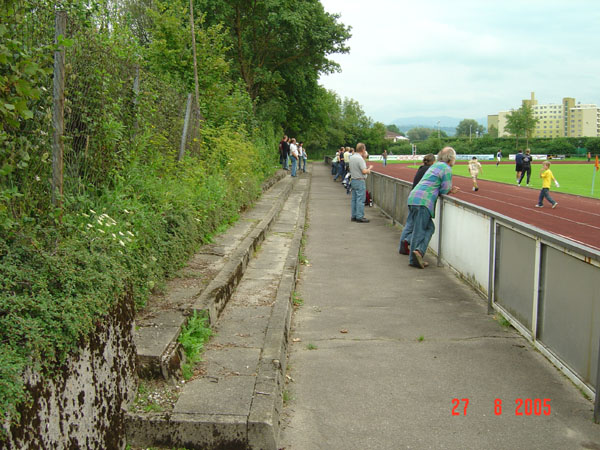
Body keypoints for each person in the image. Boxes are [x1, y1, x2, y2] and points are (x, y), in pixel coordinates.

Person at [398, 147, 460, 268]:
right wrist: (451, 191)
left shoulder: (435, 166)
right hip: (423, 201)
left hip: (414, 197)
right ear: (450, 158)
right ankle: (414, 257)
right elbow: (444, 189)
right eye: (454, 157)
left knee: (429, 227)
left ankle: (417, 250)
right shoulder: (446, 168)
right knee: (420, 230)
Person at [349, 143, 373, 223]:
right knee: (360, 199)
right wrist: (369, 169)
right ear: (363, 149)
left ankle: (354, 215)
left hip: (353, 179)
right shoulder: (360, 159)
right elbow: (364, 171)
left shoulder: (352, 157)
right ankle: (360, 216)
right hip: (360, 180)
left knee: (354, 199)